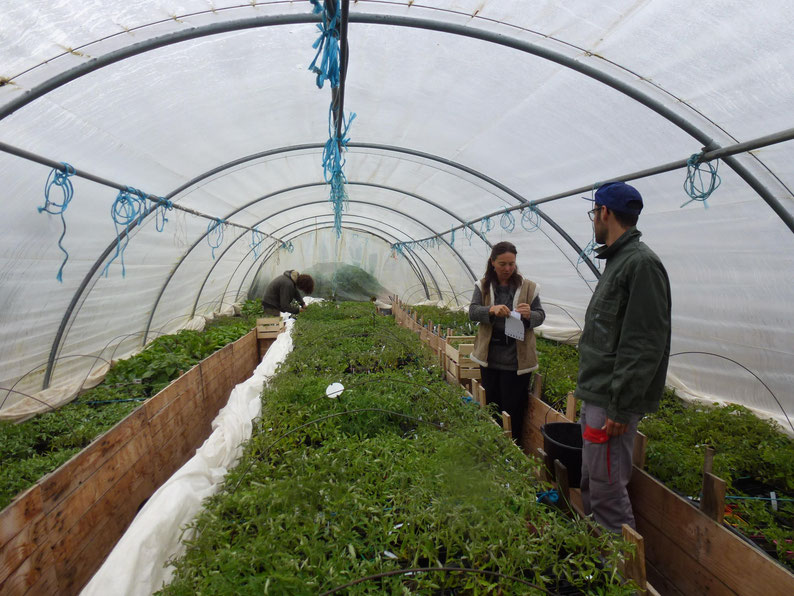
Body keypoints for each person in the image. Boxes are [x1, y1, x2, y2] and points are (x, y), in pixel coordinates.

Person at [576, 181, 671, 533]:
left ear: (605, 213)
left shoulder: (640, 264)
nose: (594, 222)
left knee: (608, 493)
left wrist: (621, 405)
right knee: (591, 480)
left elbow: (644, 342)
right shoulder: (618, 261)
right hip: (597, 394)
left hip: (610, 404)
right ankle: (595, 562)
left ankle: (619, 578)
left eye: (594, 214)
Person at [469, 241, 545, 447]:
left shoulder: (529, 287)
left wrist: (531, 315)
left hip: (516, 361)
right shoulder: (483, 285)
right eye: (502, 264)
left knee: (513, 409)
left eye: (511, 264)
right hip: (490, 358)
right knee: (492, 407)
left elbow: (540, 315)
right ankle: (491, 447)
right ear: (493, 262)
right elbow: (473, 312)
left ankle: (512, 450)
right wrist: (490, 311)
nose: (508, 268)